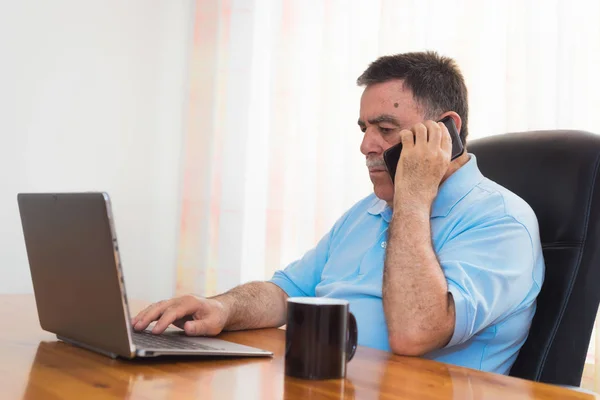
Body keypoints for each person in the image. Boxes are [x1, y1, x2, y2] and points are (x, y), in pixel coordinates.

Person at [132, 51, 545, 374]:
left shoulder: (502, 221)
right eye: (363, 130)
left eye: (385, 129)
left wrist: (415, 197)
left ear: (446, 131)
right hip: (327, 383)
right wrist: (222, 308)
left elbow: (415, 332)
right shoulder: (367, 211)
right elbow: (287, 290)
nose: (366, 146)